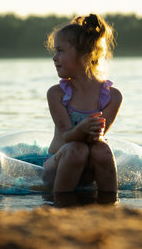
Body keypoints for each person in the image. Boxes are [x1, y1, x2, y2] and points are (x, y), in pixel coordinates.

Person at [43, 14, 122, 194]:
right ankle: (61, 202)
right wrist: (83, 127)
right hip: (59, 163)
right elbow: (66, 136)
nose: (54, 58)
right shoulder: (57, 94)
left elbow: (96, 137)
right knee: (76, 149)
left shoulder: (112, 97)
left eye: (61, 51)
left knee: (101, 149)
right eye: (55, 52)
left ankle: (110, 203)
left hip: (88, 166)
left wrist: (91, 129)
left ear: (86, 54)